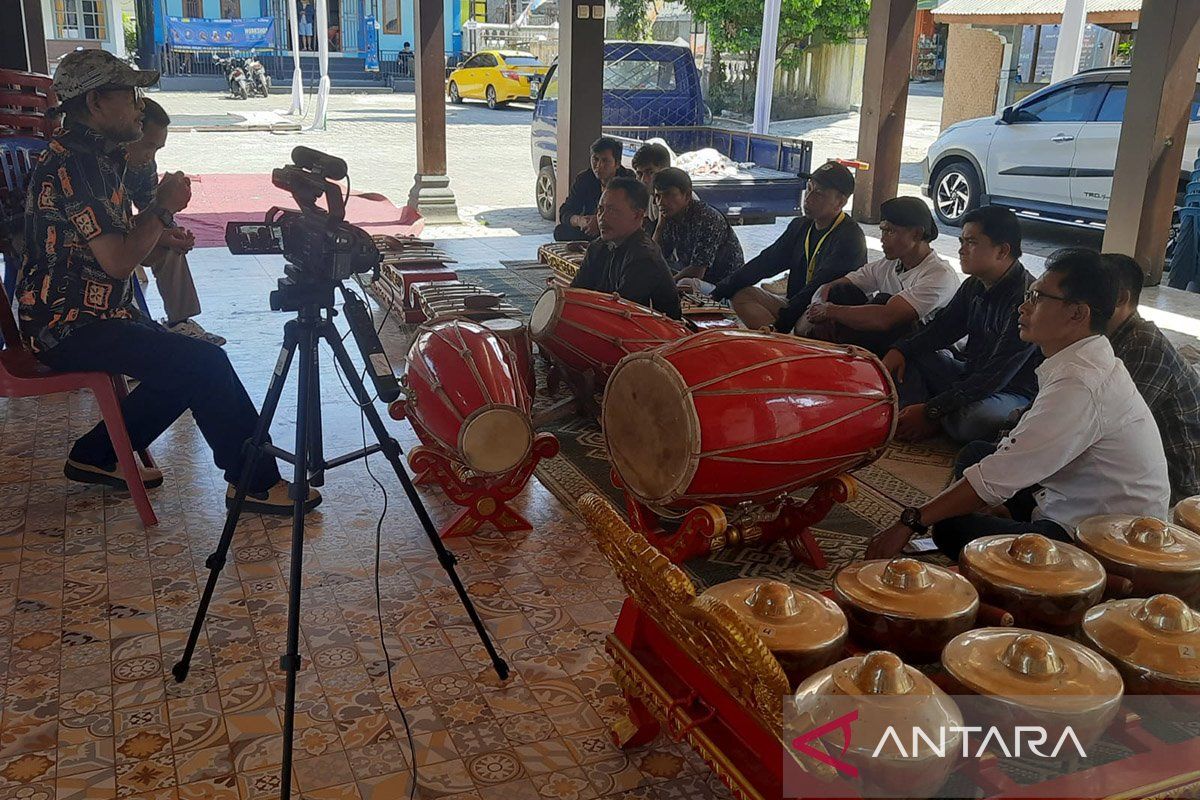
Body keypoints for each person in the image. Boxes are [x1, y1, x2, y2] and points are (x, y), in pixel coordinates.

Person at [17, 49, 318, 516]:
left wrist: (159, 229)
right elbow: (118, 261)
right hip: (68, 324)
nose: (140, 106)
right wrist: (160, 208)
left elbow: (114, 247)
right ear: (96, 102)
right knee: (205, 363)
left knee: (186, 368)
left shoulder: (98, 157)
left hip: (102, 313)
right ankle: (254, 483)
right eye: (131, 95)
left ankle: (95, 456)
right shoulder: (74, 165)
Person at [865, 249, 1169, 561]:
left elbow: (1001, 473)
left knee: (951, 529)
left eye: (1038, 298)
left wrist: (909, 521)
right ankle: (1010, 517)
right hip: (1068, 496)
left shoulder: (1082, 383)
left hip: (1103, 537)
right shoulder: (1084, 357)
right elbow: (1014, 456)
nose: (1023, 307)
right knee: (976, 454)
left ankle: (1017, 527)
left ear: (1078, 313)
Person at [881, 206, 1039, 444]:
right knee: (909, 353)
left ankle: (927, 415)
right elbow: (942, 330)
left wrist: (932, 410)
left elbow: (995, 377)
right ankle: (924, 412)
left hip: (1009, 392)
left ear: (1002, 250)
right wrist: (900, 349)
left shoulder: (1026, 301)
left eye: (971, 242)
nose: (961, 250)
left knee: (972, 421)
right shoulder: (974, 284)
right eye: (961, 241)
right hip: (968, 375)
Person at [710, 162, 867, 332]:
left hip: (825, 313)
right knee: (741, 295)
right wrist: (716, 293)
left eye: (819, 194)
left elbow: (817, 288)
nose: (808, 198)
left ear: (840, 202)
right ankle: (780, 341)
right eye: (809, 189)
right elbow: (765, 263)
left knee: (806, 324)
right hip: (795, 304)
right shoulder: (800, 226)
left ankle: (782, 339)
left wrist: (781, 323)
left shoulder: (850, 238)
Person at [122, 98, 225, 347]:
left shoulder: (142, 165)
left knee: (171, 243)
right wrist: (163, 220)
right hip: (107, 248)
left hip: (122, 238)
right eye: (147, 146)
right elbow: (115, 234)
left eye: (157, 149)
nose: (150, 157)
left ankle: (181, 321)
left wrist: (171, 231)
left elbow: (150, 212)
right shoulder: (102, 167)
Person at [805, 196, 959, 355]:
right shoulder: (890, 264)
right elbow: (830, 286)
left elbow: (886, 318)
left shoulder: (939, 275)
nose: (882, 239)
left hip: (932, 354)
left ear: (917, 234)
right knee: (841, 292)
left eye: (890, 231)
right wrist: (819, 306)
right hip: (895, 344)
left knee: (883, 304)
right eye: (882, 231)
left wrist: (831, 311)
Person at [1104, 252, 1200, 503]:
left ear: (1121, 298)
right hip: (1137, 464)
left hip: (1173, 480)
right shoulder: (1109, 338)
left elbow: (1106, 427)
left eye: (1089, 292)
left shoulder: (1144, 347)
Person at [570, 177, 682, 319]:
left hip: (651, 337)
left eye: (612, 210)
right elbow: (575, 293)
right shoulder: (597, 247)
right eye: (600, 209)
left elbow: (619, 315)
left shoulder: (644, 257)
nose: (602, 218)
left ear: (637, 215)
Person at [652, 167, 744, 290]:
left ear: (687, 195)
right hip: (700, 280)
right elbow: (653, 258)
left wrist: (663, 286)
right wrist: (659, 227)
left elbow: (697, 272)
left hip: (725, 287)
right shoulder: (670, 217)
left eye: (668, 195)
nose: (661, 202)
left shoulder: (707, 218)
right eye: (658, 196)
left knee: (686, 284)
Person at [555, 137, 633, 242]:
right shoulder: (585, 178)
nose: (598, 166)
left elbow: (629, 215)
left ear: (617, 163)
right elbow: (565, 211)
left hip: (616, 230)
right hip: (590, 229)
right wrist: (581, 221)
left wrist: (600, 222)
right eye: (595, 159)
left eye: (605, 161)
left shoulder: (627, 180)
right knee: (561, 231)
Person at [631, 142, 672, 234]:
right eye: (639, 174)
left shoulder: (678, 199)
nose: (643, 180)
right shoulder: (649, 196)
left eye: (650, 172)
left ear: (666, 170)